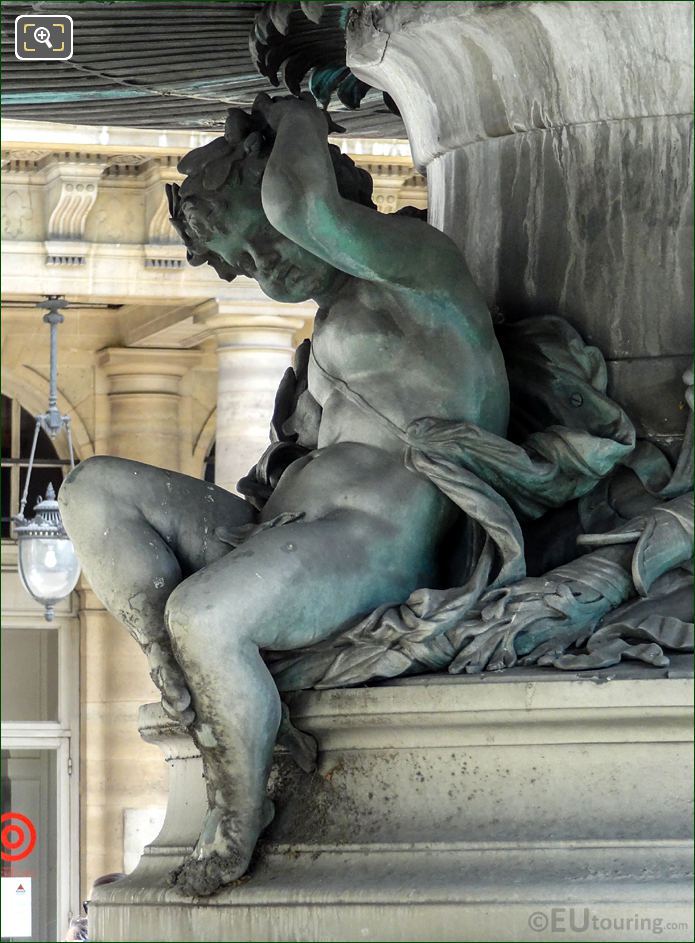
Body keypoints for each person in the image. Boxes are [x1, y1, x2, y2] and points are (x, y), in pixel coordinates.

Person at [58, 94, 509, 896]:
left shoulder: (420, 267)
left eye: (266, 244)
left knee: (207, 611)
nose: (267, 272)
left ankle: (235, 819)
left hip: (374, 542)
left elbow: (301, 205)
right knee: (93, 486)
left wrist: (299, 111)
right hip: (287, 533)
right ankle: (180, 674)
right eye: (249, 261)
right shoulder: (329, 327)